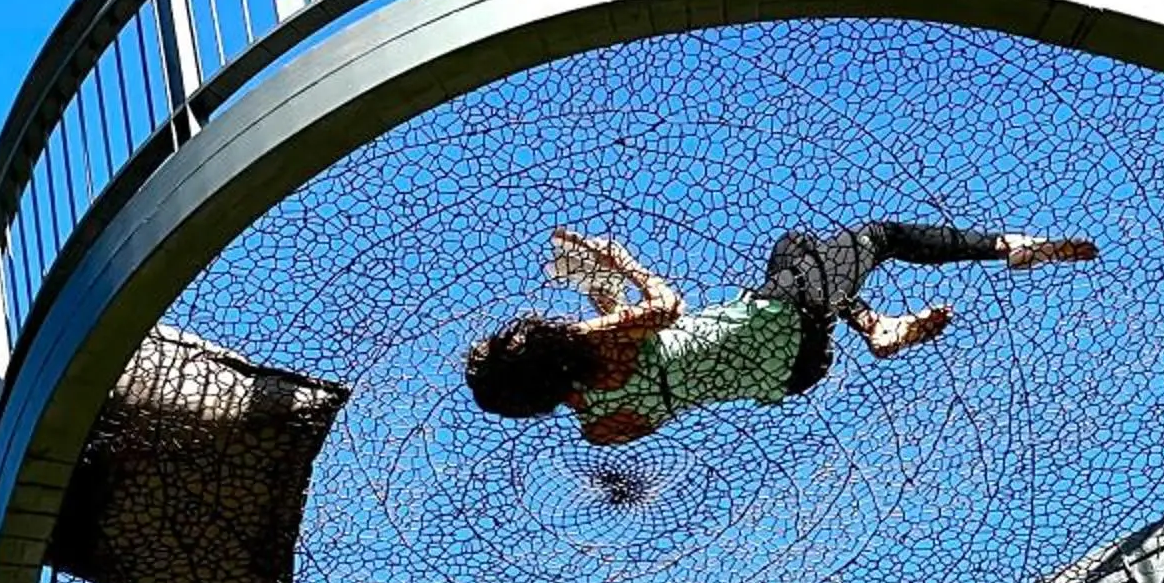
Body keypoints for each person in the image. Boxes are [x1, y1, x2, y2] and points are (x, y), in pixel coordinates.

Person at [463, 221, 1099, 445]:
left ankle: (874, 325)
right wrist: (616, 260)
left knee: (796, 245)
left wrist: (599, 292)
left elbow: (654, 381)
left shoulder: (598, 426)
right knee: (879, 237)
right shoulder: (593, 336)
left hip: (792, 374)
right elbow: (666, 308)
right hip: (773, 322)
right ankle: (1011, 249)